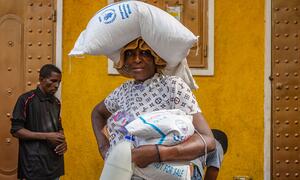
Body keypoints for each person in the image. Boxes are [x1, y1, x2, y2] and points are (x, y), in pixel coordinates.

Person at [91, 38, 216, 179]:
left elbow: (208, 141)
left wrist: (158, 153)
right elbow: (97, 113)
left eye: (145, 53)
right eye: (130, 54)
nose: (136, 59)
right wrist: (104, 148)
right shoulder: (122, 91)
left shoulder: (173, 86)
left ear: (156, 57)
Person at [10, 64, 67, 180]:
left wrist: (63, 143)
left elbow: (59, 128)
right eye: (53, 81)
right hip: (33, 167)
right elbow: (16, 130)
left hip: (55, 166)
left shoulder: (57, 103)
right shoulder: (25, 100)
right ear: (41, 79)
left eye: (59, 82)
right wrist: (46, 136)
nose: (57, 86)